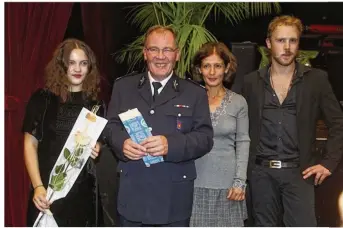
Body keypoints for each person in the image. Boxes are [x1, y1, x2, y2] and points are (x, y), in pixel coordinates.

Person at [105, 25, 214, 227]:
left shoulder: (195, 93)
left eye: (167, 50)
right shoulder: (123, 87)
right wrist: (122, 144)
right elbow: (110, 126)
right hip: (133, 197)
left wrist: (169, 145)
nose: (160, 56)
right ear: (145, 53)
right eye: (154, 49)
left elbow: (205, 138)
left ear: (177, 54)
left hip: (173, 200)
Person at [241, 15, 343, 226]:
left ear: (298, 44)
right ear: (269, 43)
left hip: (299, 173)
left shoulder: (316, 80)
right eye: (280, 40)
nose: (287, 47)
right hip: (261, 174)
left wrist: (329, 163)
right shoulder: (251, 82)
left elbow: (338, 123)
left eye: (292, 40)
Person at [23, 38, 105, 226]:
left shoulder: (96, 104)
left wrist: (97, 147)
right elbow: (30, 144)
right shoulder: (42, 99)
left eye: (83, 63)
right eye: (71, 63)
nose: (78, 69)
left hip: (83, 192)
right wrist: (37, 186)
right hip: (47, 190)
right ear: (61, 65)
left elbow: (98, 141)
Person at [189, 42, 249, 226]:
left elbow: (243, 142)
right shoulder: (189, 99)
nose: (212, 72)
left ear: (227, 68)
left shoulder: (238, 102)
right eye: (207, 66)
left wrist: (240, 182)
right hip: (194, 183)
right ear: (199, 69)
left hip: (228, 187)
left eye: (217, 66)